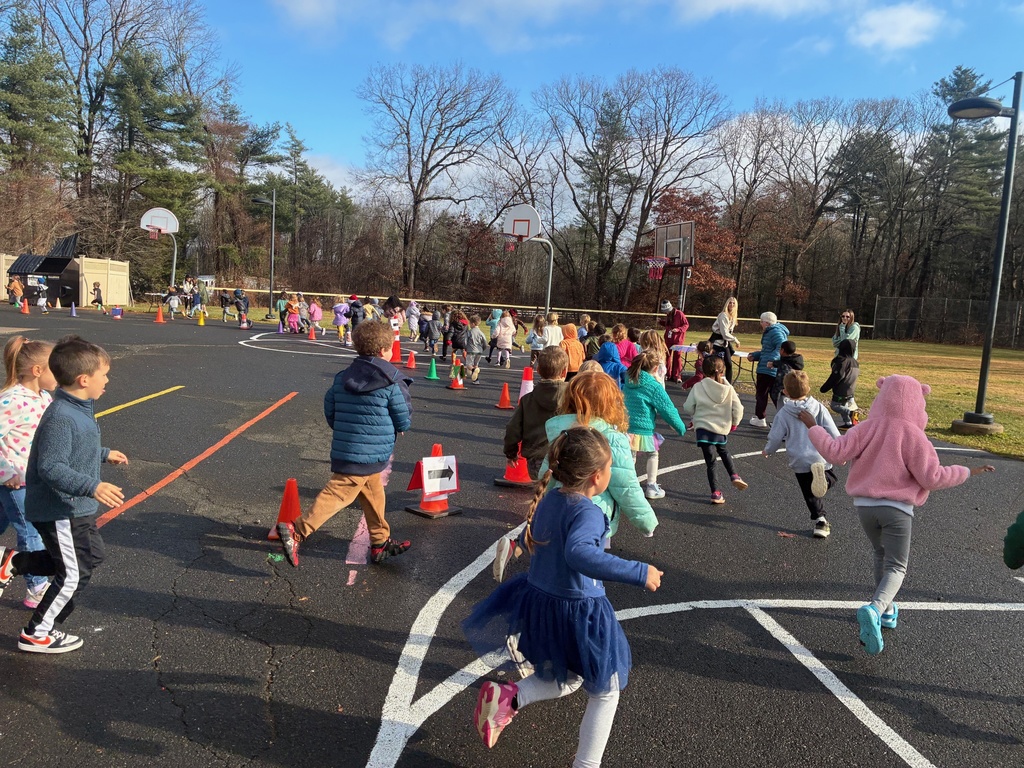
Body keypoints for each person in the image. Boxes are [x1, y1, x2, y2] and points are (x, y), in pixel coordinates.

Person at [465, 427, 663, 763]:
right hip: (579, 610)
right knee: (606, 692)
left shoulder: (550, 500)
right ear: (598, 477)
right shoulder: (586, 511)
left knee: (566, 676)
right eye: (611, 468)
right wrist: (639, 572)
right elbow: (579, 554)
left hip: (545, 603)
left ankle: (509, 698)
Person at [800, 374, 995, 656]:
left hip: (865, 507)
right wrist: (967, 472)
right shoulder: (914, 436)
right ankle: (876, 608)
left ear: (883, 396)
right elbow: (932, 477)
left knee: (880, 554)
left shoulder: (867, 427)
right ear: (918, 403)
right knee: (897, 566)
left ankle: (888, 609)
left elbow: (836, 452)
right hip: (898, 510)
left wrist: (814, 427)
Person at [0, 336, 128, 654]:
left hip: (76, 506)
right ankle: (38, 632)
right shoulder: (62, 416)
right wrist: (93, 486)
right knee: (73, 573)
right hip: (60, 508)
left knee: (91, 558)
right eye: (104, 374)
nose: (108, 380)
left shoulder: (77, 408)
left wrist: (104, 453)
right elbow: (52, 467)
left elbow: (76, 451)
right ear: (84, 380)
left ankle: (15, 561)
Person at [276, 321, 413, 568]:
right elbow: (402, 414)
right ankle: (297, 530)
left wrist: (342, 427)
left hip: (349, 446)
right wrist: (401, 427)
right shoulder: (392, 381)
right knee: (340, 492)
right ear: (384, 350)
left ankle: (380, 542)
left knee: (373, 492)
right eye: (391, 348)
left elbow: (330, 407)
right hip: (372, 450)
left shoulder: (342, 377)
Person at [540, 371, 658, 542]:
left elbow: (546, 474)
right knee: (590, 559)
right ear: (610, 403)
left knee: (561, 558)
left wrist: (543, 508)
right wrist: (646, 521)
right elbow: (626, 487)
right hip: (595, 516)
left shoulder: (562, 433)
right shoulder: (612, 439)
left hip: (560, 509)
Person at [0, 337, 55, 608]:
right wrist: (6, 471)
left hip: (32, 479)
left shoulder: (44, 397)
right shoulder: (11, 400)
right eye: (55, 368)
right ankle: (36, 588)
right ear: (37, 371)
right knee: (30, 532)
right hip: (15, 482)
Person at [763, 371, 840, 537]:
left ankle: (821, 521)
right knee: (831, 479)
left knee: (810, 493)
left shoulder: (784, 413)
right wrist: (841, 450)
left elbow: (776, 436)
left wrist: (769, 449)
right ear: (809, 388)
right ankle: (826, 480)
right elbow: (832, 430)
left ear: (785, 392)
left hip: (800, 459)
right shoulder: (819, 407)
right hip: (821, 454)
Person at [623, 352, 687, 500]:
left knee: (630, 456)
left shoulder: (628, 381)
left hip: (626, 426)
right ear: (656, 368)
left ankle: (629, 487)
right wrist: (680, 427)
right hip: (644, 427)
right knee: (652, 454)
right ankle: (651, 485)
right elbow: (667, 409)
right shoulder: (653, 386)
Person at [682, 355, 746, 504]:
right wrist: (734, 423)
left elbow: (687, 407)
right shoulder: (728, 389)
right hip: (721, 429)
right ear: (722, 370)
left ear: (703, 371)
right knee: (724, 451)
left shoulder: (699, 386)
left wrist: (695, 413)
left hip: (704, 429)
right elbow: (739, 408)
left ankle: (715, 493)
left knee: (711, 463)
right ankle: (734, 474)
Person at [503, 346, 569, 479]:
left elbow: (513, 428)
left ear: (538, 370)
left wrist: (511, 453)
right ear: (564, 372)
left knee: (542, 493)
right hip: (566, 457)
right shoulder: (573, 398)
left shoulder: (528, 400)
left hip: (536, 458)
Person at [746, 312, 789, 428]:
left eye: (762, 321)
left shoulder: (774, 332)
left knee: (762, 394)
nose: (760, 324)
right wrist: (754, 355)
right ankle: (784, 419)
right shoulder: (773, 331)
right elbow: (767, 351)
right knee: (774, 395)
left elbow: (781, 346)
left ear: (767, 322)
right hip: (769, 367)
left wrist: (772, 361)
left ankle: (760, 418)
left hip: (767, 369)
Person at [822, 339, 859, 429]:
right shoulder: (855, 361)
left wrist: (824, 388)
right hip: (851, 388)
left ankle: (851, 413)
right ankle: (851, 423)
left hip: (841, 389)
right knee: (847, 405)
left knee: (835, 406)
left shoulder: (841, 361)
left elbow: (837, 376)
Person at [709, 297, 740, 383]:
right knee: (714, 366)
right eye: (730, 303)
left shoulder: (733, 317)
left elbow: (728, 334)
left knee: (728, 365)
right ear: (727, 304)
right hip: (716, 344)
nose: (732, 305)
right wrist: (735, 340)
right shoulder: (723, 315)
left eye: (734, 303)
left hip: (724, 344)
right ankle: (711, 384)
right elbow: (724, 334)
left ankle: (728, 386)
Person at [659, 300, 690, 382]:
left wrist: (679, 329)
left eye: (667, 311)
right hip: (668, 338)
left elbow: (686, 324)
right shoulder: (668, 315)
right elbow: (667, 325)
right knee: (667, 356)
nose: (666, 313)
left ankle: (677, 376)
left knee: (677, 357)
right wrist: (660, 322)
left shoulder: (679, 314)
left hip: (678, 339)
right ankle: (667, 374)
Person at [768, 340, 804, 406]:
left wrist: (773, 393)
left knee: (783, 411)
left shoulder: (784, 366)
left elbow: (780, 382)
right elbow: (782, 362)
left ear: (782, 350)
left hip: (784, 394)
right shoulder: (795, 361)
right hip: (795, 392)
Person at [466, 315, 488, 384]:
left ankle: (473, 370)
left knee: (468, 364)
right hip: (479, 351)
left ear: (472, 324)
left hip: (471, 350)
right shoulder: (481, 333)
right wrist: (482, 349)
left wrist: (465, 348)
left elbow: (465, 340)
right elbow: (485, 342)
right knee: (476, 364)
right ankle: (476, 380)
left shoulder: (470, 332)